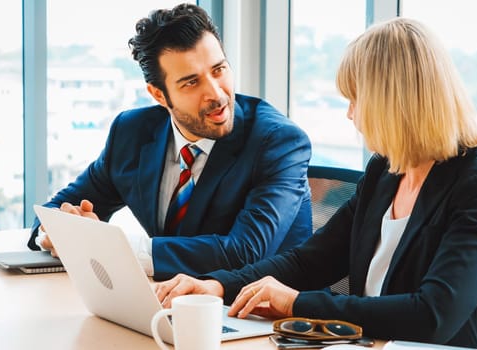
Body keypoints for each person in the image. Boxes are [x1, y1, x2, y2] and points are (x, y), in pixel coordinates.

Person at [154, 17, 477, 349]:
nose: (350, 114)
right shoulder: (385, 173)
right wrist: (218, 286)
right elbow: (310, 261)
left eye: (355, 99)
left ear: (392, 103)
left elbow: (432, 316)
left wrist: (297, 303)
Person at [27, 3, 313, 281]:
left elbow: (244, 252)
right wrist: (58, 232)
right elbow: (60, 207)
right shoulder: (131, 132)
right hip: (173, 304)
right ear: (159, 95)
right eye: (191, 82)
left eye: (219, 70)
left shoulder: (279, 142)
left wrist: (115, 249)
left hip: (265, 317)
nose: (216, 94)